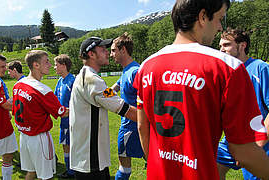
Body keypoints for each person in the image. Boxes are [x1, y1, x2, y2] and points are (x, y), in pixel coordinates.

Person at [133, 0, 269, 179]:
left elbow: (143, 126)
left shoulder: (145, 67)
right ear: (203, 17)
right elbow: (243, 151)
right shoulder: (227, 67)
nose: (220, 27)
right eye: (219, 19)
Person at [69, 36, 137, 180]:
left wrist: (112, 92)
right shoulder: (92, 80)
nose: (108, 53)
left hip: (87, 157)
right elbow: (125, 110)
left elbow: (106, 95)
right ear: (91, 54)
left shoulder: (87, 76)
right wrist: (158, 118)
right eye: (103, 49)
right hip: (91, 159)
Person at [217, 28, 269, 180]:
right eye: (220, 46)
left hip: (258, 140)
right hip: (233, 140)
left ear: (242, 45)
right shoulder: (229, 72)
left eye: (226, 45)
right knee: (212, 168)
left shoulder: (260, 68)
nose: (221, 49)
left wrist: (257, 146)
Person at [12, 50, 68, 180]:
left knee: (31, 173)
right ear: (36, 65)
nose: (50, 65)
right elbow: (62, 112)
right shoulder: (42, 89)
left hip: (24, 136)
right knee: (46, 176)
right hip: (39, 137)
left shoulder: (18, 84)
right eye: (46, 62)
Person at [110, 32, 144, 180]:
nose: (111, 54)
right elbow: (113, 89)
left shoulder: (135, 72)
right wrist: (98, 95)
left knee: (124, 167)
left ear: (123, 49)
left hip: (132, 126)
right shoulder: (127, 70)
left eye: (113, 50)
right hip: (133, 125)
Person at [54, 54, 75, 178]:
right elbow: (55, 98)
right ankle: (69, 170)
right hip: (63, 120)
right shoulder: (60, 81)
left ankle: (73, 171)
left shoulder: (73, 81)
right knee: (65, 145)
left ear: (63, 65)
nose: (54, 67)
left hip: (73, 121)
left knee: (71, 146)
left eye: (56, 65)